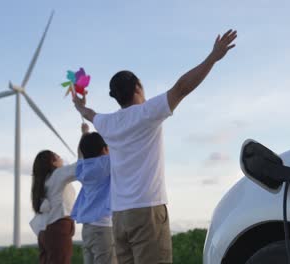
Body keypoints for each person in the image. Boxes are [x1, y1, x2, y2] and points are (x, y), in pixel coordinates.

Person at [73, 29, 237, 263]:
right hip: (146, 211)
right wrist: (213, 57)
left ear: (116, 97)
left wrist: (79, 105)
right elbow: (181, 88)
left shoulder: (107, 123)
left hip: (119, 216)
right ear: (138, 87)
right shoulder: (146, 113)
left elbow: (88, 114)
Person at [71, 123, 117, 264]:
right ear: (104, 149)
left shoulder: (82, 169)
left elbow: (80, 154)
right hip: (102, 227)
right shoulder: (105, 163)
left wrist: (84, 134)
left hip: (87, 229)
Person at [29, 150, 77, 264]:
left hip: (44, 231)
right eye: (57, 156)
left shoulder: (42, 182)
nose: (61, 157)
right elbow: (79, 167)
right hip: (58, 228)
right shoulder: (58, 174)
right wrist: (85, 135)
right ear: (52, 162)